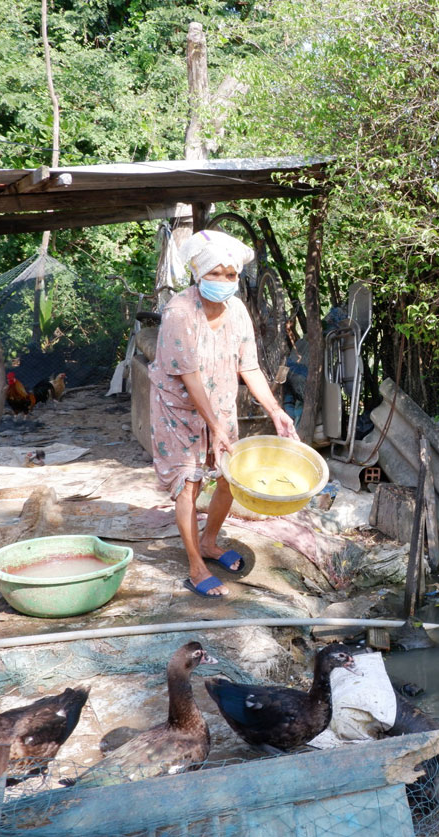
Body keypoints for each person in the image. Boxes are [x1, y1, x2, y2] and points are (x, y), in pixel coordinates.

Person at [148, 229, 298, 598]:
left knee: (230, 475)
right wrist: (213, 426)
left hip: (221, 403)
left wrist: (276, 411)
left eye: (230, 275)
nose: (224, 281)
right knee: (190, 481)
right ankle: (196, 566)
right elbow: (190, 375)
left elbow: (249, 367)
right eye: (215, 274)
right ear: (199, 275)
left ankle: (210, 542)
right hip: (178, 408)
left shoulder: (237, 311)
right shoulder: (180, 311)